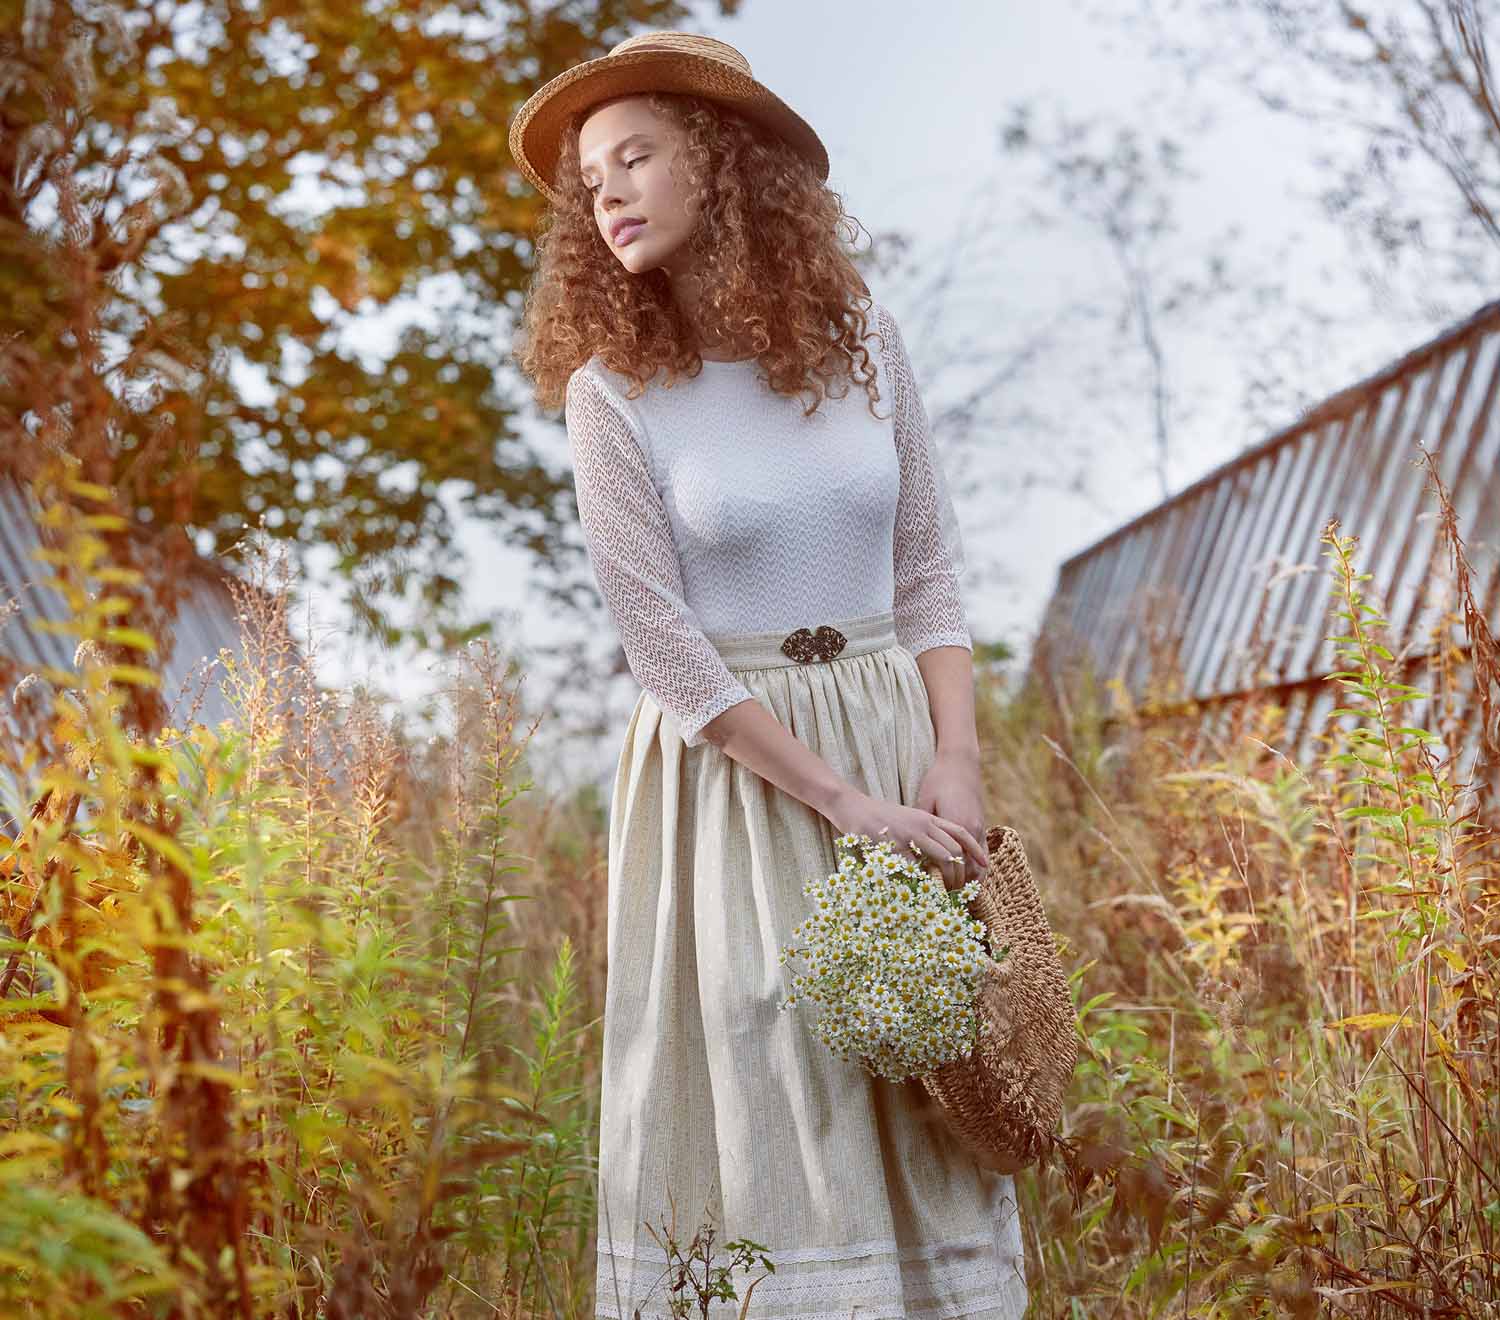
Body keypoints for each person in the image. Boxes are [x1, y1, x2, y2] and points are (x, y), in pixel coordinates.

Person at [508, 30, 1027, 1319]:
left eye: (638, 156)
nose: (609, 192)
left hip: (893, 728)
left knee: (927, 1059)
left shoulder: (865, 350)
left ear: (723, 166)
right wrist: (843, 803)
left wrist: (951, 757)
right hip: (736, 771)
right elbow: (660, 643)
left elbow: (929, 577)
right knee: (767, 1051)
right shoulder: (611, 390)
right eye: (592, 178)